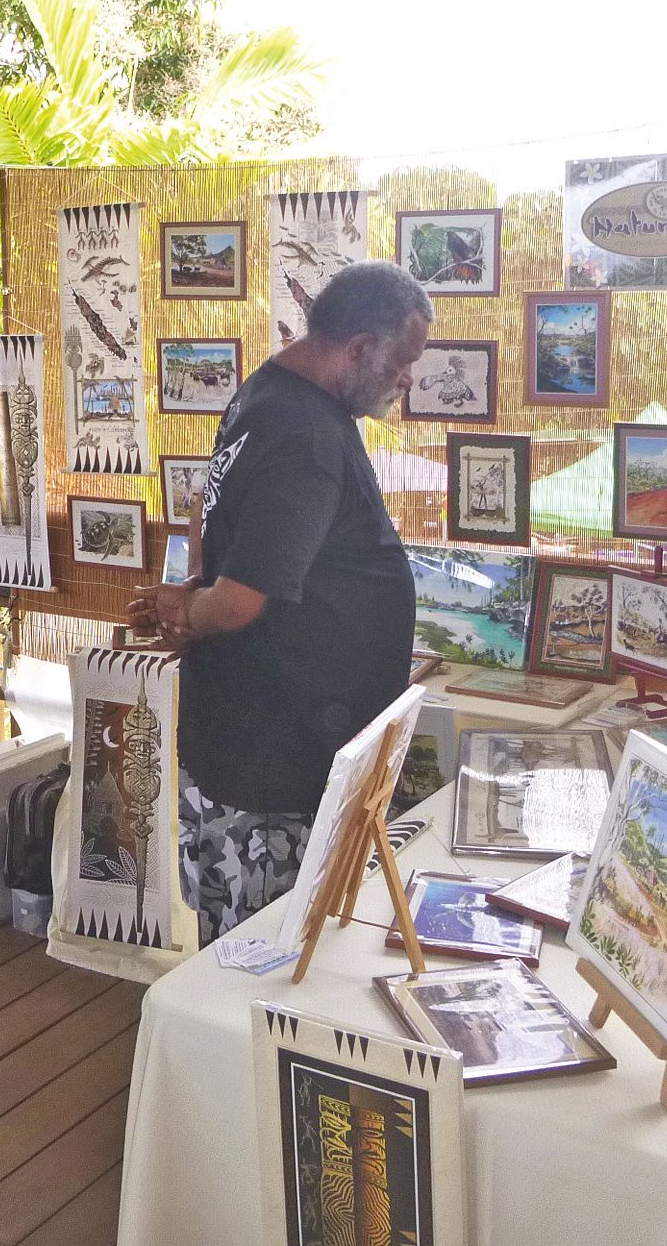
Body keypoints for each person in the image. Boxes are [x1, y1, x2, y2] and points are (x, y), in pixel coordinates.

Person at [128, 263, 433, 943]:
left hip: (252, 735)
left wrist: (191, 596)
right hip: (277, 759)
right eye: (403, 360)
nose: (408, 378)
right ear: (357, 348)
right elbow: (237, 603)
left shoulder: (265, 393)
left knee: (236, 941)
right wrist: (193, 612)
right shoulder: (305, 439)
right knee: (263, 951)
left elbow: (204, 508)